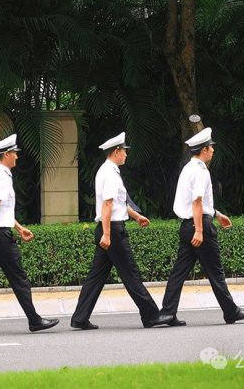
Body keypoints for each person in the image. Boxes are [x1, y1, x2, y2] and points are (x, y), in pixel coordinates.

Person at [70, 132, 173, 330]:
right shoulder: (109, 174)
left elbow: (117, 203)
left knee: (96, 277)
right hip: (113, 231)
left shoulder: (108, 171)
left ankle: (80, 318)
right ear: (116, 152)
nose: (126, 154)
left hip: (108, 228)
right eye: (124, 151)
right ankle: (151, 316)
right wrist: (108, 234)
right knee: (131, 274)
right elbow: (107, 205)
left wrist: (136, 216)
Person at [159, 127, 244, 326]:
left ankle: (167, 313)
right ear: (204, 150)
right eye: (211, 147)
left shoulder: (188, 168)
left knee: (179, 272)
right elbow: (197, 201)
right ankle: (231, 312)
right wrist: (200, 230)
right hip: (199, 225)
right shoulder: (201, 171)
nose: (213, 150)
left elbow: (194, 203)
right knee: (216, 272)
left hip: (187, 225)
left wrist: (216, 214)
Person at [0, 134, 59, 335]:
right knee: (19, 279)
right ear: (6, 154)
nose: (17, 156)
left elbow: (1, 211)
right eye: (14, 153)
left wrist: (18, 227)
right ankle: (35, 321)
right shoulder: (1, 177)